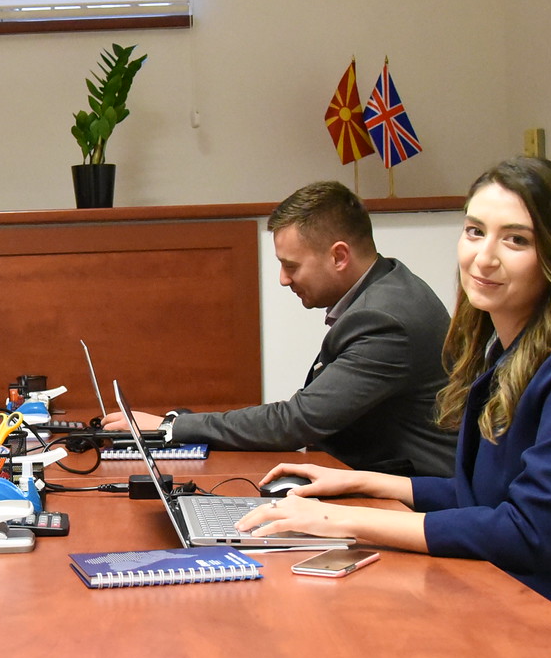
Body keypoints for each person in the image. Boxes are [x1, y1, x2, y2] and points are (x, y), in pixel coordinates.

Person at [235, 157, 551, 656]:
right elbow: (483, 494)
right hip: (510, 610)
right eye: (474, 231)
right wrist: (362, 483)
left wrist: (342, 523)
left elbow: (529, 532)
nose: (484, 257)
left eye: (516, 239)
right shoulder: (508, 351)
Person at [102, 181, 454, 475]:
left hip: (413, 498)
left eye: (291, 266)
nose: (283, 280)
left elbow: (297, 422)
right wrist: (185, 422)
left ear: (339, 256)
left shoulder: (385, 319)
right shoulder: (385, 288)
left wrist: (173, 427)